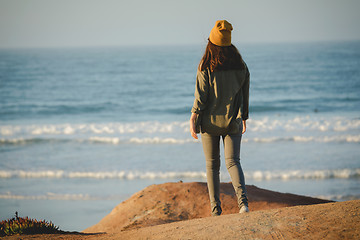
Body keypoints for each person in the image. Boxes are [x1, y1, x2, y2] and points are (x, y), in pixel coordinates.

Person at [190, 20, 250, 216]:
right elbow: (245, 93)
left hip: (209, 123)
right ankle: (243, 204)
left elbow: (201, 98)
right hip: (233, 121)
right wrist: (244, 116)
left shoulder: (206, 65)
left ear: (211, 42)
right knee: (233, 162)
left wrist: (193, 117)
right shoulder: (241, 66)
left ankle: (216, 210)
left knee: (212, 166)